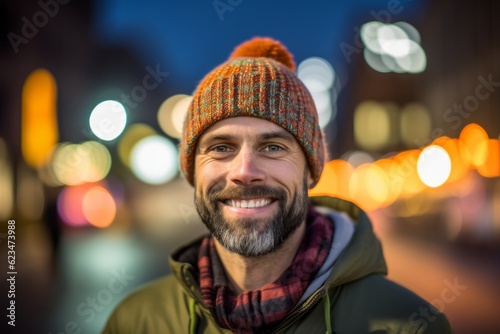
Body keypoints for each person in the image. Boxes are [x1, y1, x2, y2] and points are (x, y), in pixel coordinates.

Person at [103, 37, 452, 334]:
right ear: (193, 173)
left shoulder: (408, 324)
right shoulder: (135, 320)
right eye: (221, 148)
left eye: (273, 147)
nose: (245, 171)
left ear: (309, 169)